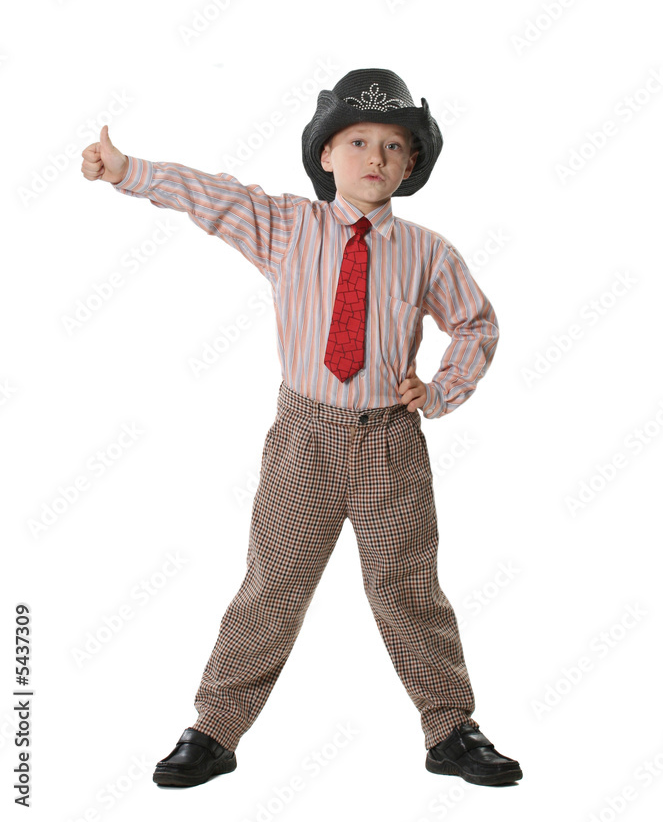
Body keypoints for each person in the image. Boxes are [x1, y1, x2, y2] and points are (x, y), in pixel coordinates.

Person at [80, 68, 522, 789]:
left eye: (393, 146)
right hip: (304, 441)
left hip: (389, 443)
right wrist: (128, 170)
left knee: (408, 588)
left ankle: (449, 728)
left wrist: (441, 391)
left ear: (411, 164)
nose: (374, 157)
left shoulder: (427, 252)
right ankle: (216, 728)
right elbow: (213, 195)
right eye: (357, 142)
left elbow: (475, 324)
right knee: (273, 584)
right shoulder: (289, 227)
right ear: (325, 154)